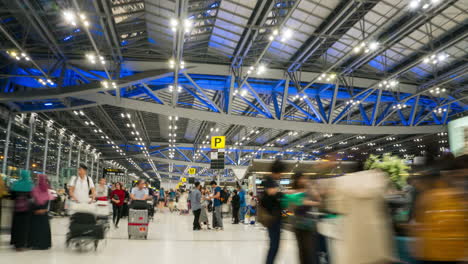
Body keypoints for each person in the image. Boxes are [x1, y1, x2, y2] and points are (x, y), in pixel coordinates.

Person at [328, 163, 394, 264]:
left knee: (357, 258)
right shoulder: (377, 179)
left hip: (354, 230)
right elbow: (383, 205)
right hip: (375, 231)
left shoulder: (342, 183)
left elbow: (339, 208)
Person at [286, 172, 321, 264]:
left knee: (309, 250)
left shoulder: (309, 190)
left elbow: (319, 201)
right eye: (302, 178)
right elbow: (290, 207)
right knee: (301, 250)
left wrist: (308, 202)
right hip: (297, 224)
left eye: (304, 178)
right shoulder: (294, 192)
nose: (304, 180)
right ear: (297, 180)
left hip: (308, 224)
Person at [261, 160, 286, 264]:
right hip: (272, 218)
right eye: (281, 173)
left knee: (275, 245)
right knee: (274, 245)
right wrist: (283, 193)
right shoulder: (269, 180)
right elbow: (272, 193)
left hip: (275, 218)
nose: (281, 175)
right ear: (278, 171)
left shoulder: (272, 181)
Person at [10, 170, 34, 250]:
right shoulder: (30, 185)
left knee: (16, 226)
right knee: (24, 227)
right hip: (27, 209)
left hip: (17, 208)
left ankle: (16, 243)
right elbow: (31, 197)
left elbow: (12, 197)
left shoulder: (16, 184)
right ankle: (22, 243)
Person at [29, 174, 52, 250]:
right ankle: (44, 244)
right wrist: (44, 210)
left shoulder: (35, 189)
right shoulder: (47, 190)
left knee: (36, 228)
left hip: (36, 213)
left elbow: (32, 200)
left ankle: (35, 244)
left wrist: (36, 210)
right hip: (44, 214)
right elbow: (49, 202)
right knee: (43, 229)